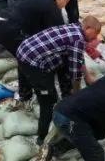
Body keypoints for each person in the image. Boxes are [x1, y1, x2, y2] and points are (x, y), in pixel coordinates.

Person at [17, 16, 99, 151]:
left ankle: (25, 97)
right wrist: (76, 96)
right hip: (31, 60)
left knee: (63, 67)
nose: (94, 39)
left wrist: (88, 76)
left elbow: (77, 58)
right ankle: (41, 138)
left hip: (24, 49)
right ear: (88, 28)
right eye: (94, 34)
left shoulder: (74, 28)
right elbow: (75, 73)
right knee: (48, 101)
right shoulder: (78, 38)